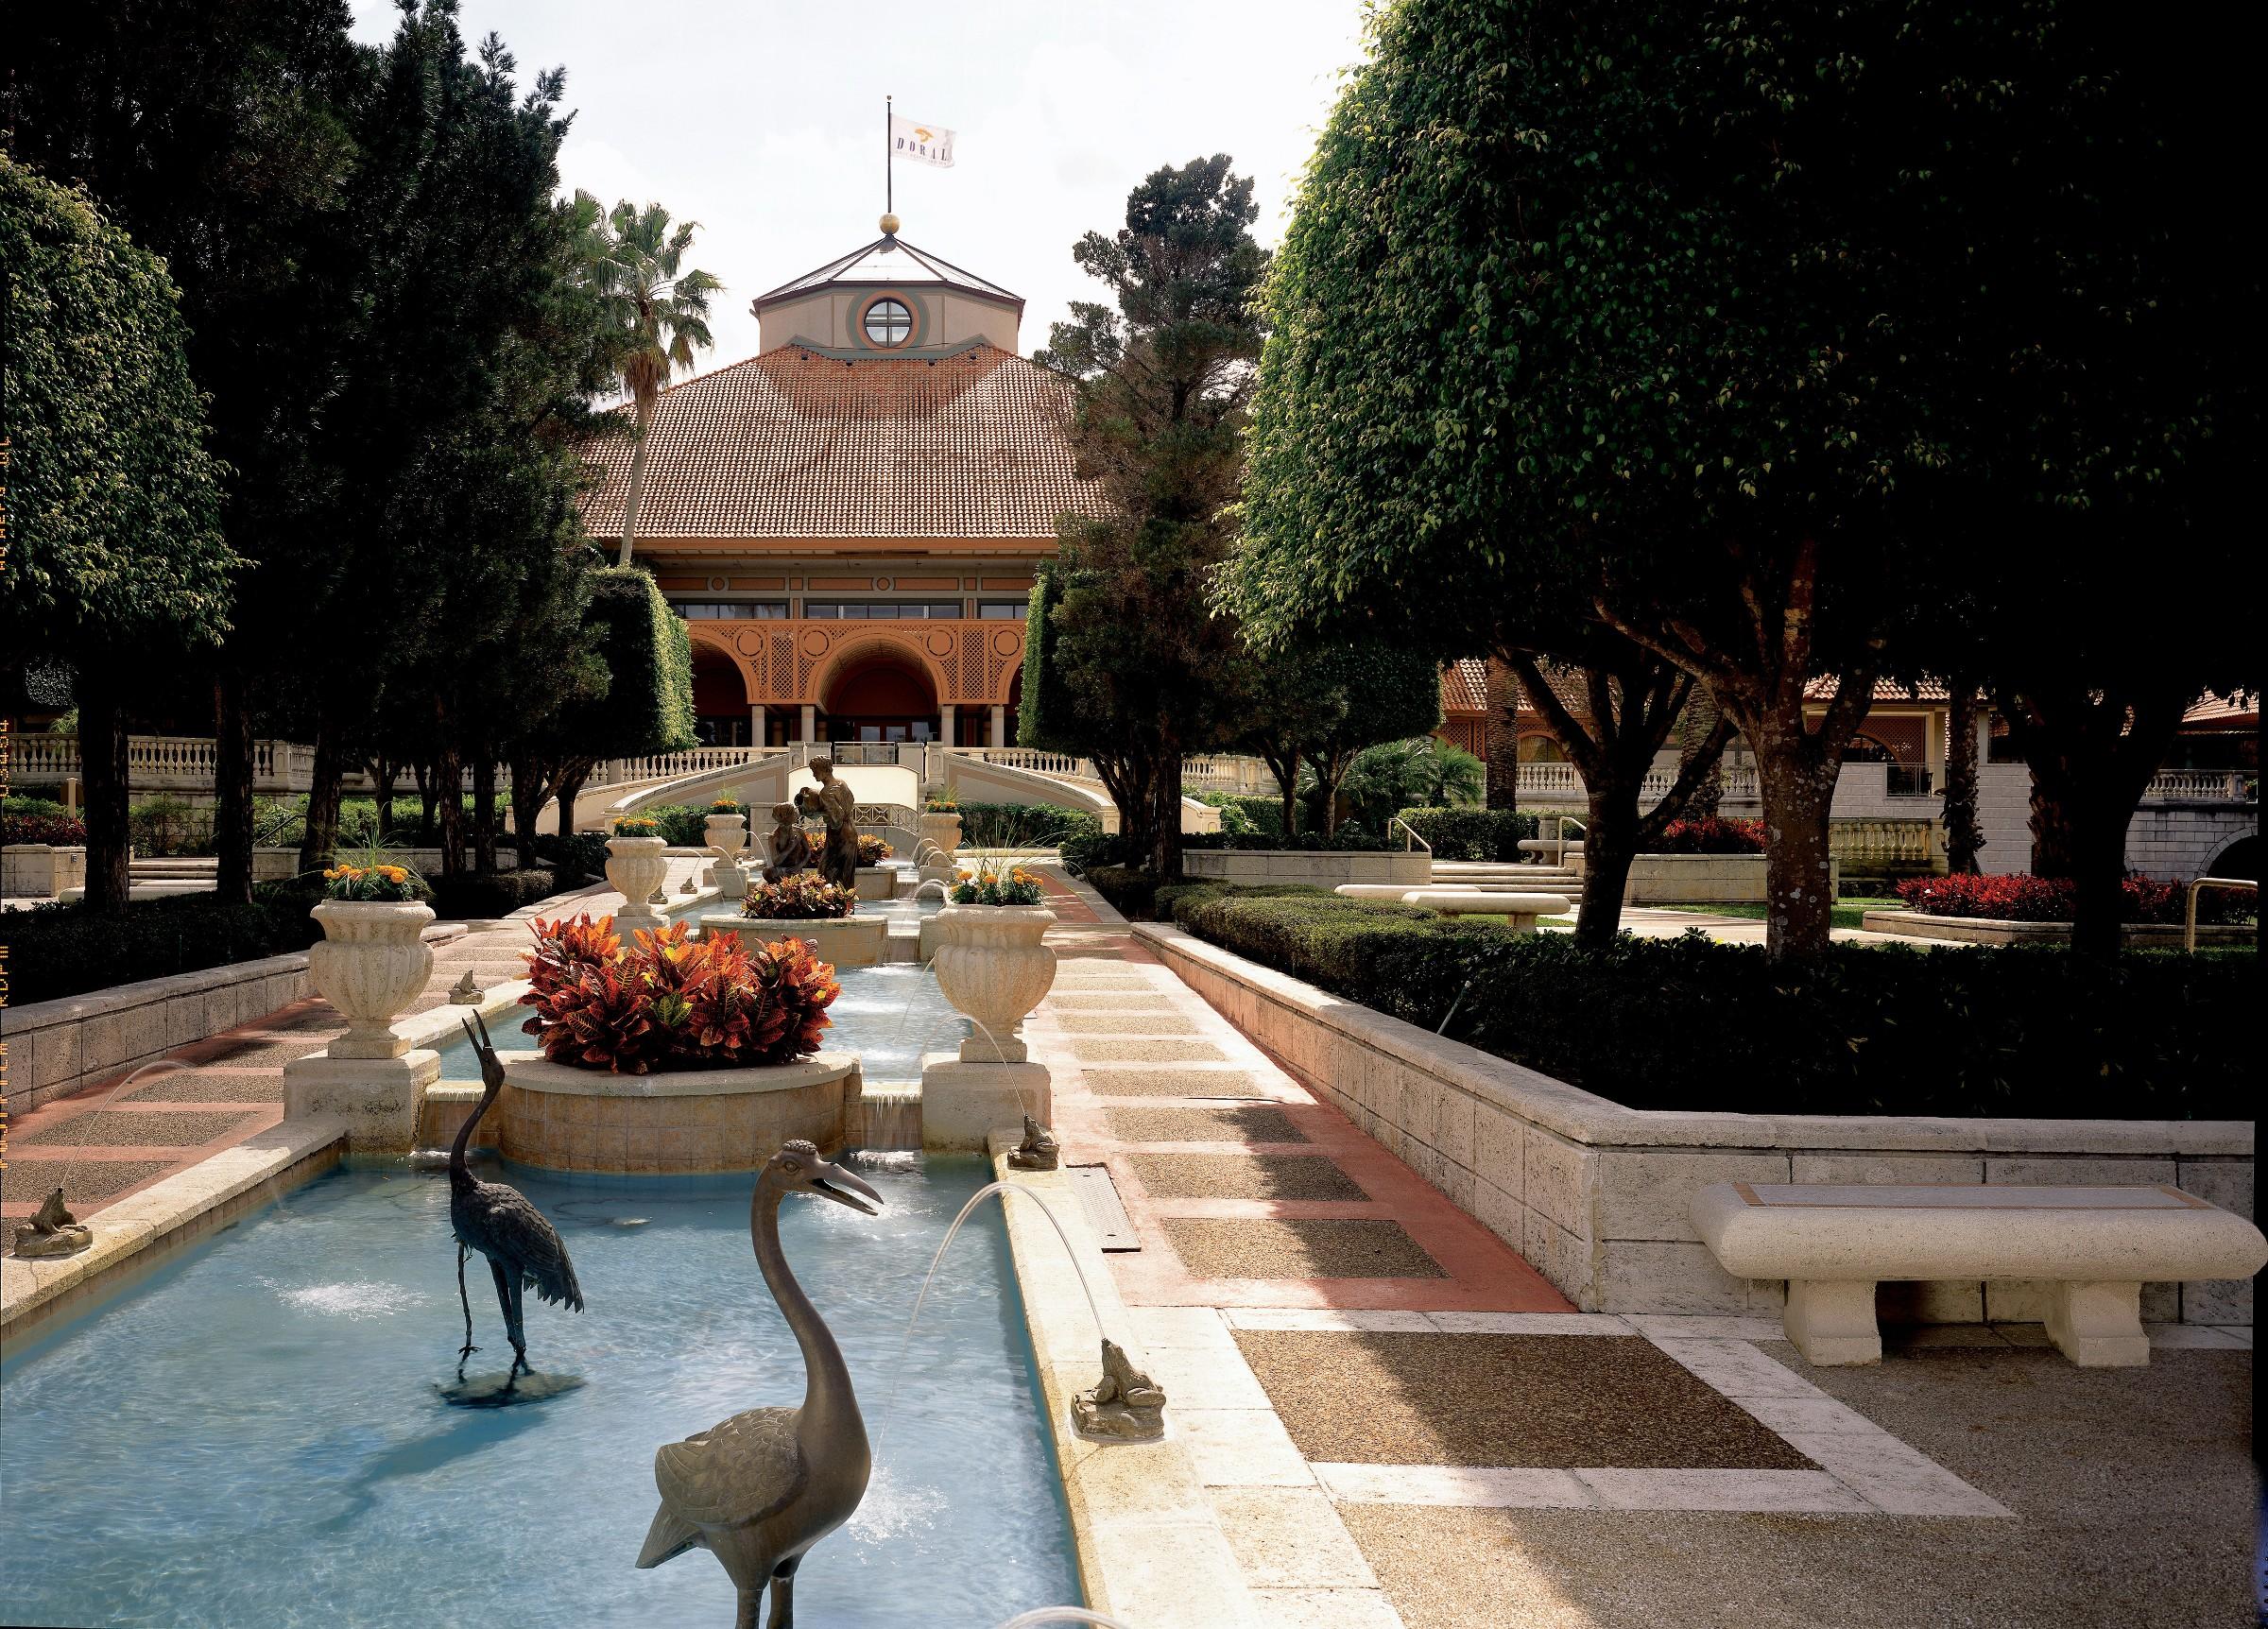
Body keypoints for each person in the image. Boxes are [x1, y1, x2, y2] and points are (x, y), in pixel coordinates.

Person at [799, 756, 860, 891]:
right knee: (846, 877)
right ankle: (847, 906)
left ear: (824, 769)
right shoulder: (841, 783)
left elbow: (836, 820)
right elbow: (850, 803)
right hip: (851, 832)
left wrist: (814, 811)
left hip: (839, 837)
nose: (813, 774)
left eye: (815, 770)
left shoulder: (826, 792)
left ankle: (832, 907)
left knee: (825, 873)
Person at [761, 802, 815, 883]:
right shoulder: (774, 837)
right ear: (785, 816)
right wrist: (790, 846)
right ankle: (781, 888)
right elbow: (776, 862)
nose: (797, 814)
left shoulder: (799, 832)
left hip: (795, 869)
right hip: (781, 870)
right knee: (766, 872)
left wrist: (798, 866)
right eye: (793, 813)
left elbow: (807, 853)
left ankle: (785, 886)